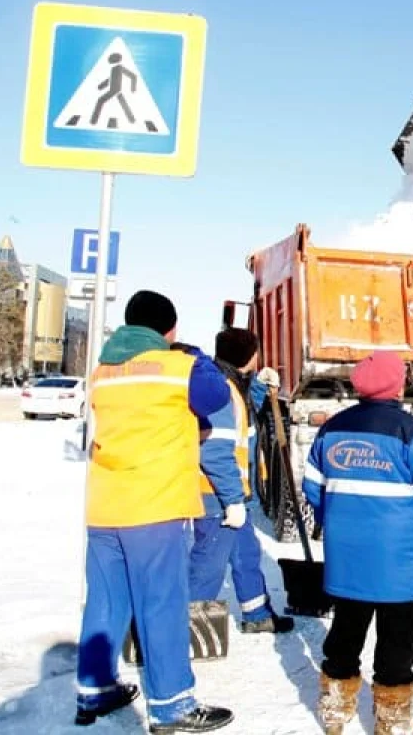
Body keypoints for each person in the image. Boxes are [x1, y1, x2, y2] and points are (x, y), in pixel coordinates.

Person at [74, 290, 235, 733]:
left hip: (105, 506)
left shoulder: (102, 372)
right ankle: (171, 705)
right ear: (168, 329)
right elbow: (217, 394)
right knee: (162, 603)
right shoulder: (179, 368)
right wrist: (194, 354)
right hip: (154, 505)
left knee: (106, 600)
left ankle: (95, 688)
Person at [304, 350, 413, 735]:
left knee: (346, 631)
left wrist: (332, 521)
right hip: (397, 562)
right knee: (397, 641)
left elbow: (314, 490)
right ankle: (394, 721)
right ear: (396, 385)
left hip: (346, 558)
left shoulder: (330, 430)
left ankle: (335, 711)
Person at [185, 328, 294, 634]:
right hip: (218, 494)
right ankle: (188, 632)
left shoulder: (230, 385)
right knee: (209, 563)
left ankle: (256, 613)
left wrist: (258, 386)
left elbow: (243, 416)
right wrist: (232, 500)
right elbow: (216, 452)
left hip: (234, 493)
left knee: (246, 553)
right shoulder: (219, 391)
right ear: (249, 355)